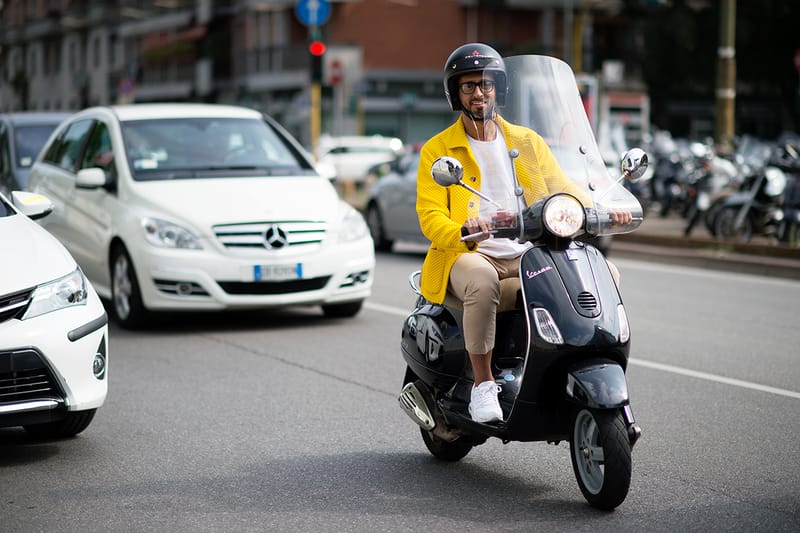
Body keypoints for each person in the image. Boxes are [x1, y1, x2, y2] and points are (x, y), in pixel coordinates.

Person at [416, 43, 631, 424]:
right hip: (469, 253)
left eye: (486, 84)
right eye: (468, 86)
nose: (479, 93)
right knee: (482, 282)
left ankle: (575, 362)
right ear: (455, 93)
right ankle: (483, 384)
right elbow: (430, 214)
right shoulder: (438, 150)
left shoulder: (527, 142)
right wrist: (462, 230)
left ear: (499, 88)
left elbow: (562, 188)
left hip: (528, 251)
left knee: (604, 271)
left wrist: (599, 209)